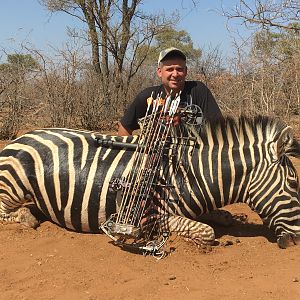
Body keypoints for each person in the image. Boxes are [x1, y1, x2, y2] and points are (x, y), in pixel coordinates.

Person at [118, 47, 222, 136]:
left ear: (186, 71)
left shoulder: (198, 90)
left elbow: (219, 128)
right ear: (159, 72)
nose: (175, 74)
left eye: (179, 69)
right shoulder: (148, 97)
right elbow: (125, 127)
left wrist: (184, 123)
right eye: (170, 69)